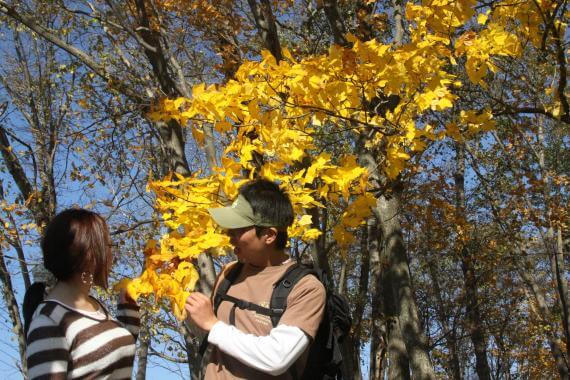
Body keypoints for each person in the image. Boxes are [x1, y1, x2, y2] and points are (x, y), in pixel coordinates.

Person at [185, 178, 326, 379]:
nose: (229, 235)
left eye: (239, 229)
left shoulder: (306, 288)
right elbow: (211, 336)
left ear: (269, 235)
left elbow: (276, 358)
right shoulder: (229, 273)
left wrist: (212, 324)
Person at [23, 209, 140, 379]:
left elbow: (111, 360)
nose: (111, 255)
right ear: (88, 254)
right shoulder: (49, 321)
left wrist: (128, 315)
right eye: (107, 246)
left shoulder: (95, 307)